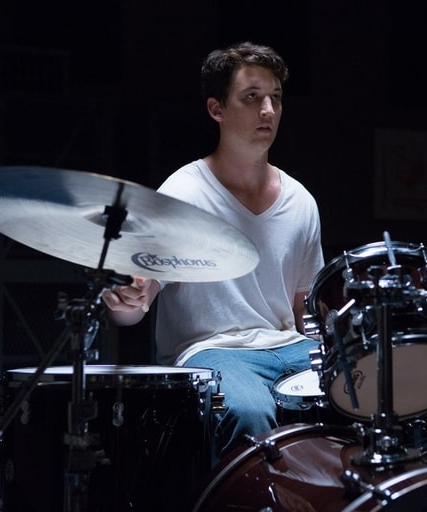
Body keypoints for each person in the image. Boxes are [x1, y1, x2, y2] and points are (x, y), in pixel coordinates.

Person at [102, 41, 325, 468]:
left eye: (275, 98)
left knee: (360, 395)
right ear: (216, 109)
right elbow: (132, 309)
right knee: (249, 411)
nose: (268, 110)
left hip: (289, 346)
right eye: (252, 97)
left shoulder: (300, 200)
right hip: (211, 350)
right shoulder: (183, 193)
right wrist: (125, 300)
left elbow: (305, 312)